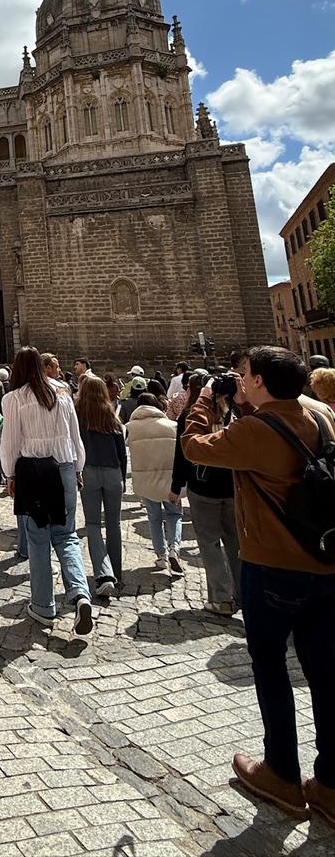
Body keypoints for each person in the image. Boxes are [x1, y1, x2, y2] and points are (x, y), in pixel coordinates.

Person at [183, 346, 335, 826]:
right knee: (326, 676)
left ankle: (281, 774)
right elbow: (277, 436)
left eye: (245, 374)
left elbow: (194, 445)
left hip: (272, 568)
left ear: (261, 381)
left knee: (270, 668)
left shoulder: (252, 431)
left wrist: (205, 398)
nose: (239, 378)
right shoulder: (324, 418)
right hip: (326, 563)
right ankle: (331, 785)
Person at [1, 347, 92, 634]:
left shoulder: (14, 398)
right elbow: (75, 437)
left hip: (34, 472)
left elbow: (10, 441)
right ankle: (80, 594)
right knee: (66, 535)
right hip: (65, 468)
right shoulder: (62, 394)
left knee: (38, 539)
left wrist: (10, 474)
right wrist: (78, 468)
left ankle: (43, 605)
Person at [170, 372, 239, 615]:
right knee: (235, 541)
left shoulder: (191, 416)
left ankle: (221, 598)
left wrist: (175, 486)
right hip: (231, 485)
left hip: (203, 485)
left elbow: (182, 454)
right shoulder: (234, 414)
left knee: (209, 542)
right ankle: (243, 594)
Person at [75, 373, 126, 597]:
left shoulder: (78, 417)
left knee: (93, 525)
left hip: (89, 472)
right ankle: (116, 572)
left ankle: (104, 574)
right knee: (114, 524)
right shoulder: (112, 417)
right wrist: (122, 477)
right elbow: (122, 452)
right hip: (113, 471)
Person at [127, 392, 183, 575]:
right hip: (170, 480)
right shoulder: (172, 425)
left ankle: (161, 556)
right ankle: (174, 547)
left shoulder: (132, 427)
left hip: (147, 480)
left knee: (154, 518)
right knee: (174, 514)